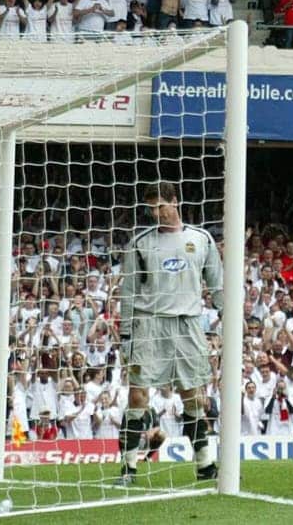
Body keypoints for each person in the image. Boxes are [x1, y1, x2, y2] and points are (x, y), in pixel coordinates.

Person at [117, 182, 223, 484]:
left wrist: (227, 315)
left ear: (175, 202)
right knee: (138, 394)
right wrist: (126, 333)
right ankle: (129, 468)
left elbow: (217, 283)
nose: (155, 212)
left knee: (192, 396)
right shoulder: (140, 243)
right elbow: (129, 291)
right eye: (151, 208)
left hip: (188, 323)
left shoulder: (200, 239)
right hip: (149, 324)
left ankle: (205, 465)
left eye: (160, 205)